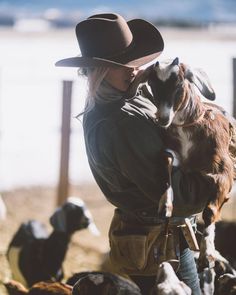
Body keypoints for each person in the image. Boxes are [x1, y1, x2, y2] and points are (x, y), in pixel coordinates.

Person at [56, 13, 217, 295]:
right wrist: (221, 174)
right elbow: (175, 197)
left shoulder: (123, 103)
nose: (134, 69)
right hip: (160, 248)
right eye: (122, 64)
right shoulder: (122, 121)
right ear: (99, 70)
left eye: (133, 60)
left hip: (150, 241)